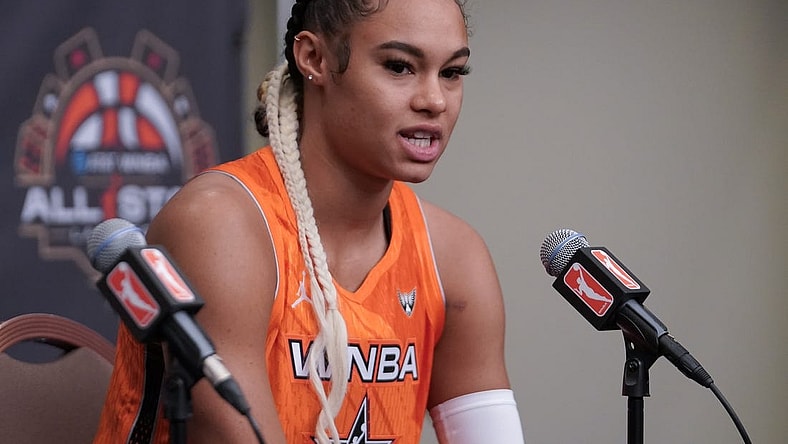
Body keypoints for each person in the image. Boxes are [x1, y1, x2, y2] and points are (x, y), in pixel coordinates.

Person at [93, 0, 525, 443]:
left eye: (452, 73)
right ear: (314, 59)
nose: (434, 100)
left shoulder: (453, 256)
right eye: (399, 67)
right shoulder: (220, 225)